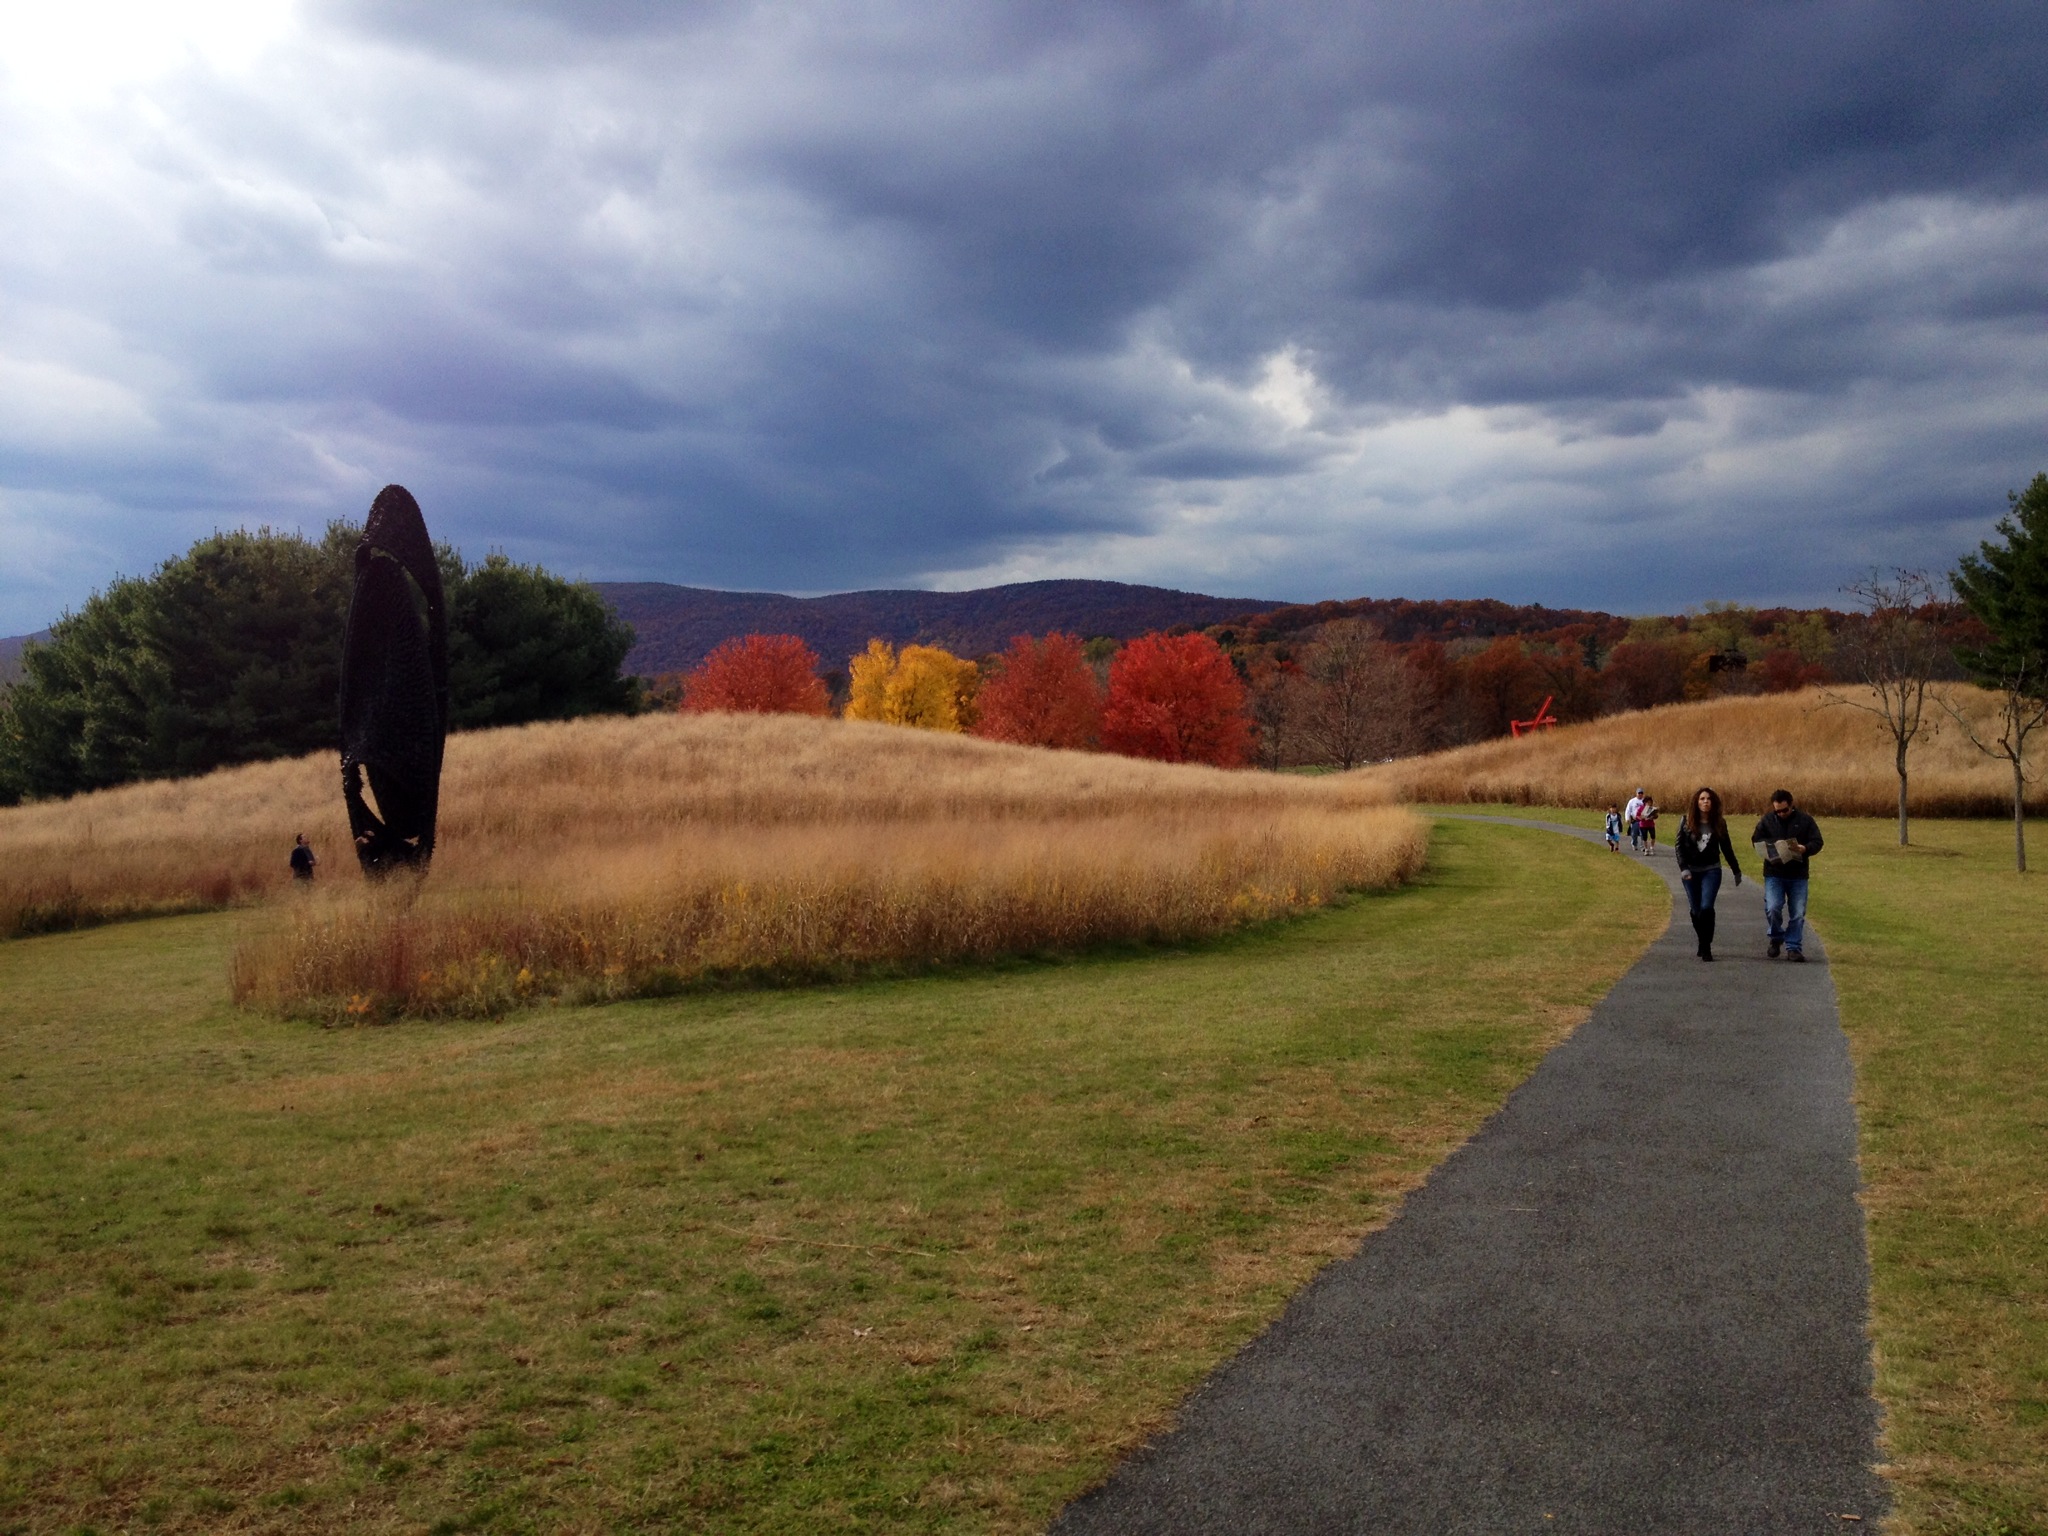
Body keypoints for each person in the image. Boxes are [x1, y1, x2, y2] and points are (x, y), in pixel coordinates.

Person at [1750, 788, 1824, 962]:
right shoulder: (1767, 820)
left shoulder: (1805, 820)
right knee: (1773, 907)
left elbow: (1818, 841)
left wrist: (1805, 849)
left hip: (1797, 874)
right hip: (1774, 872)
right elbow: (1756, 840)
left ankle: (1793, 948)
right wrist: (1768, 848)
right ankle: (1776, 937)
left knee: (1797, 912)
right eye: (1778, 811)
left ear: (1792, 806)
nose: (1781, 814)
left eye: (1785, 810)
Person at [1673, 787, 1742, 960]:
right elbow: (1679, 847)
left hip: (1711, 869)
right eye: (1702, 799)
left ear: (1713, 802)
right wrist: (1684, 868)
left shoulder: (1719, 823)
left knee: (1706, 908)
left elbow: (1726, 847)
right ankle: (1702, 940)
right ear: (1696, 802)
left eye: (1709, 799)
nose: (1706, 801)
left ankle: (1706, 946)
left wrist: (1736, 870)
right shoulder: (1686, 821)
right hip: (1691, 871)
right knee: (1695, 910)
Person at [1624, 788, 1646, 852]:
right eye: (1639, 793)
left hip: (1642, 820)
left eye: (1641, 793)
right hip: (1635, 820)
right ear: (1636, 793)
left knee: (1642, 834)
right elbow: (1628, 810)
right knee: (1634, 834)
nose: (1640, 794)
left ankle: (1643, 846)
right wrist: (1627, 818)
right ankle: (1634, 844)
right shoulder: (1632, 801)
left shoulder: (1644, 801)